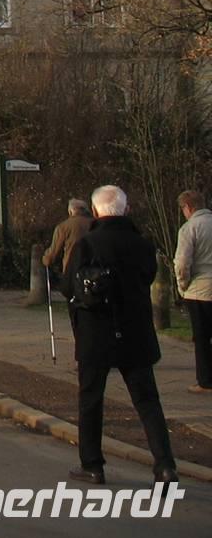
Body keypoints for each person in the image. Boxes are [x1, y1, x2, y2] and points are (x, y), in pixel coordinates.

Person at [64, 184, 177, 485]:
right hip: (135, 330)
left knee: (91, 398)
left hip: (95, 333)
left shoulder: (87, 245)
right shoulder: (142, 245)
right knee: (147, 400)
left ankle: (92, 464)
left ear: (96, 210)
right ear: (126, 210)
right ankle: (165, 464)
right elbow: (148, 276)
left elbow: (67, 285)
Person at [43, 197, 94, 358]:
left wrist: (46, 259)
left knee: (76, 317)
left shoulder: (64, 227)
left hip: (73, 275)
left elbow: (53, 253)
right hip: (97, 275)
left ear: (71, 211)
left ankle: (83, 353)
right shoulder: (96, 225)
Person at [174, 189, 212, 394]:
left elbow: (182, 263)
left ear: (187, 207)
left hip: (200, 289)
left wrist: (182, 285)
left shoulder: (189, 229)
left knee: (202, 337)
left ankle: (205, 380)